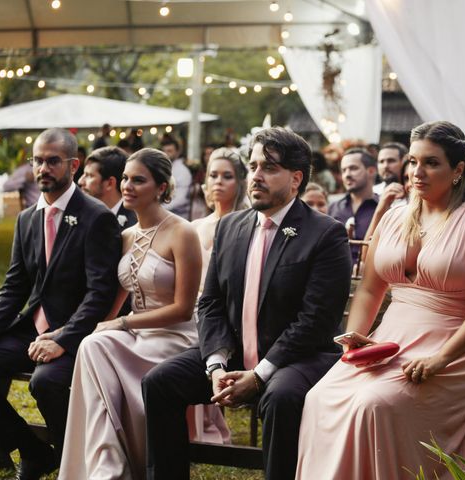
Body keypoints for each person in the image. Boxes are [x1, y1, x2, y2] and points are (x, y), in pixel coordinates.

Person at [296, 121, 465, 479]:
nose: (417, 172)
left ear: (458, 170)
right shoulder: (395, 216)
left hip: (460, 350)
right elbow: (369, 289)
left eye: (431, 163)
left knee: (374, 405)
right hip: (391, 341)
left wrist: (440, 359)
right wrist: (354, 339)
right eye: (412, 162)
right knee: (318, 398)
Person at [142, 126, 352, 480]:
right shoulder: (231, 227)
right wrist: (215, 366)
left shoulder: (325, 234)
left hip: (300, 357)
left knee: (281, 398)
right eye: (253, 166)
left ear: (296, 178)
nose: (256, 175)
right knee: (159, 382)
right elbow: (210, 303)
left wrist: (260, 374)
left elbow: (315, 319)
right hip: (235, 353)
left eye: (269, 168)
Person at [0, 128, 121, 479]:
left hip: (77, 333)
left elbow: (99, 294)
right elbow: (14, 287)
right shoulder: (28, 219)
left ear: (73, 165)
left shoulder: (96, 217)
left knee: (43, 383)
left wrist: (63, 339)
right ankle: (33, 451)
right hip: (33, 327)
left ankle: (73, 456)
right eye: (38, 160)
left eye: (53, 161)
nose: (43, 168)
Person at [58, 148, 201, 479]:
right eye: (124, 178)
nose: (128, 186)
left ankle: (123, 459)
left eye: (139, 180)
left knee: (104, 345)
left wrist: (121, 322)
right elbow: (112, 302)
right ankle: (106, 463)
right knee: (93, 346)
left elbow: (182, 309)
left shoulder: (183, 233)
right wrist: (77, 330)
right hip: (137, 336)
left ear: (162, 188)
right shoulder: (125, 236)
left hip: (176, 339)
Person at [186, 147, 249, 443]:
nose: (218, 182)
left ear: (240, 182)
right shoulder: (195, 227)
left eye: (227, 176)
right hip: (190, 308)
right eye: (213, 175)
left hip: (227, 314)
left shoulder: (248, 227)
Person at [328, 148, 379, 262]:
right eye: (344, 170)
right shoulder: (333, 208)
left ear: (371, 171)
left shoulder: (384, 209)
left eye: (353, 168)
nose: (347, 175)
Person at [78, 146, 137, 230]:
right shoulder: (82, 215)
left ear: (110, 183)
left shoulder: (134, 224)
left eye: (89, 176)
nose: (80, 181)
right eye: (84, 175)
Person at [161, 137, 192, 219]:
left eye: (170, 151)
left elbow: (181, 199)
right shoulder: (165, 168)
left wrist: (160, 208)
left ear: (178, 152)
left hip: (179, 216)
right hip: (165, 213)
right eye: (164, 151)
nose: (166, 154)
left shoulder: (183, 171)